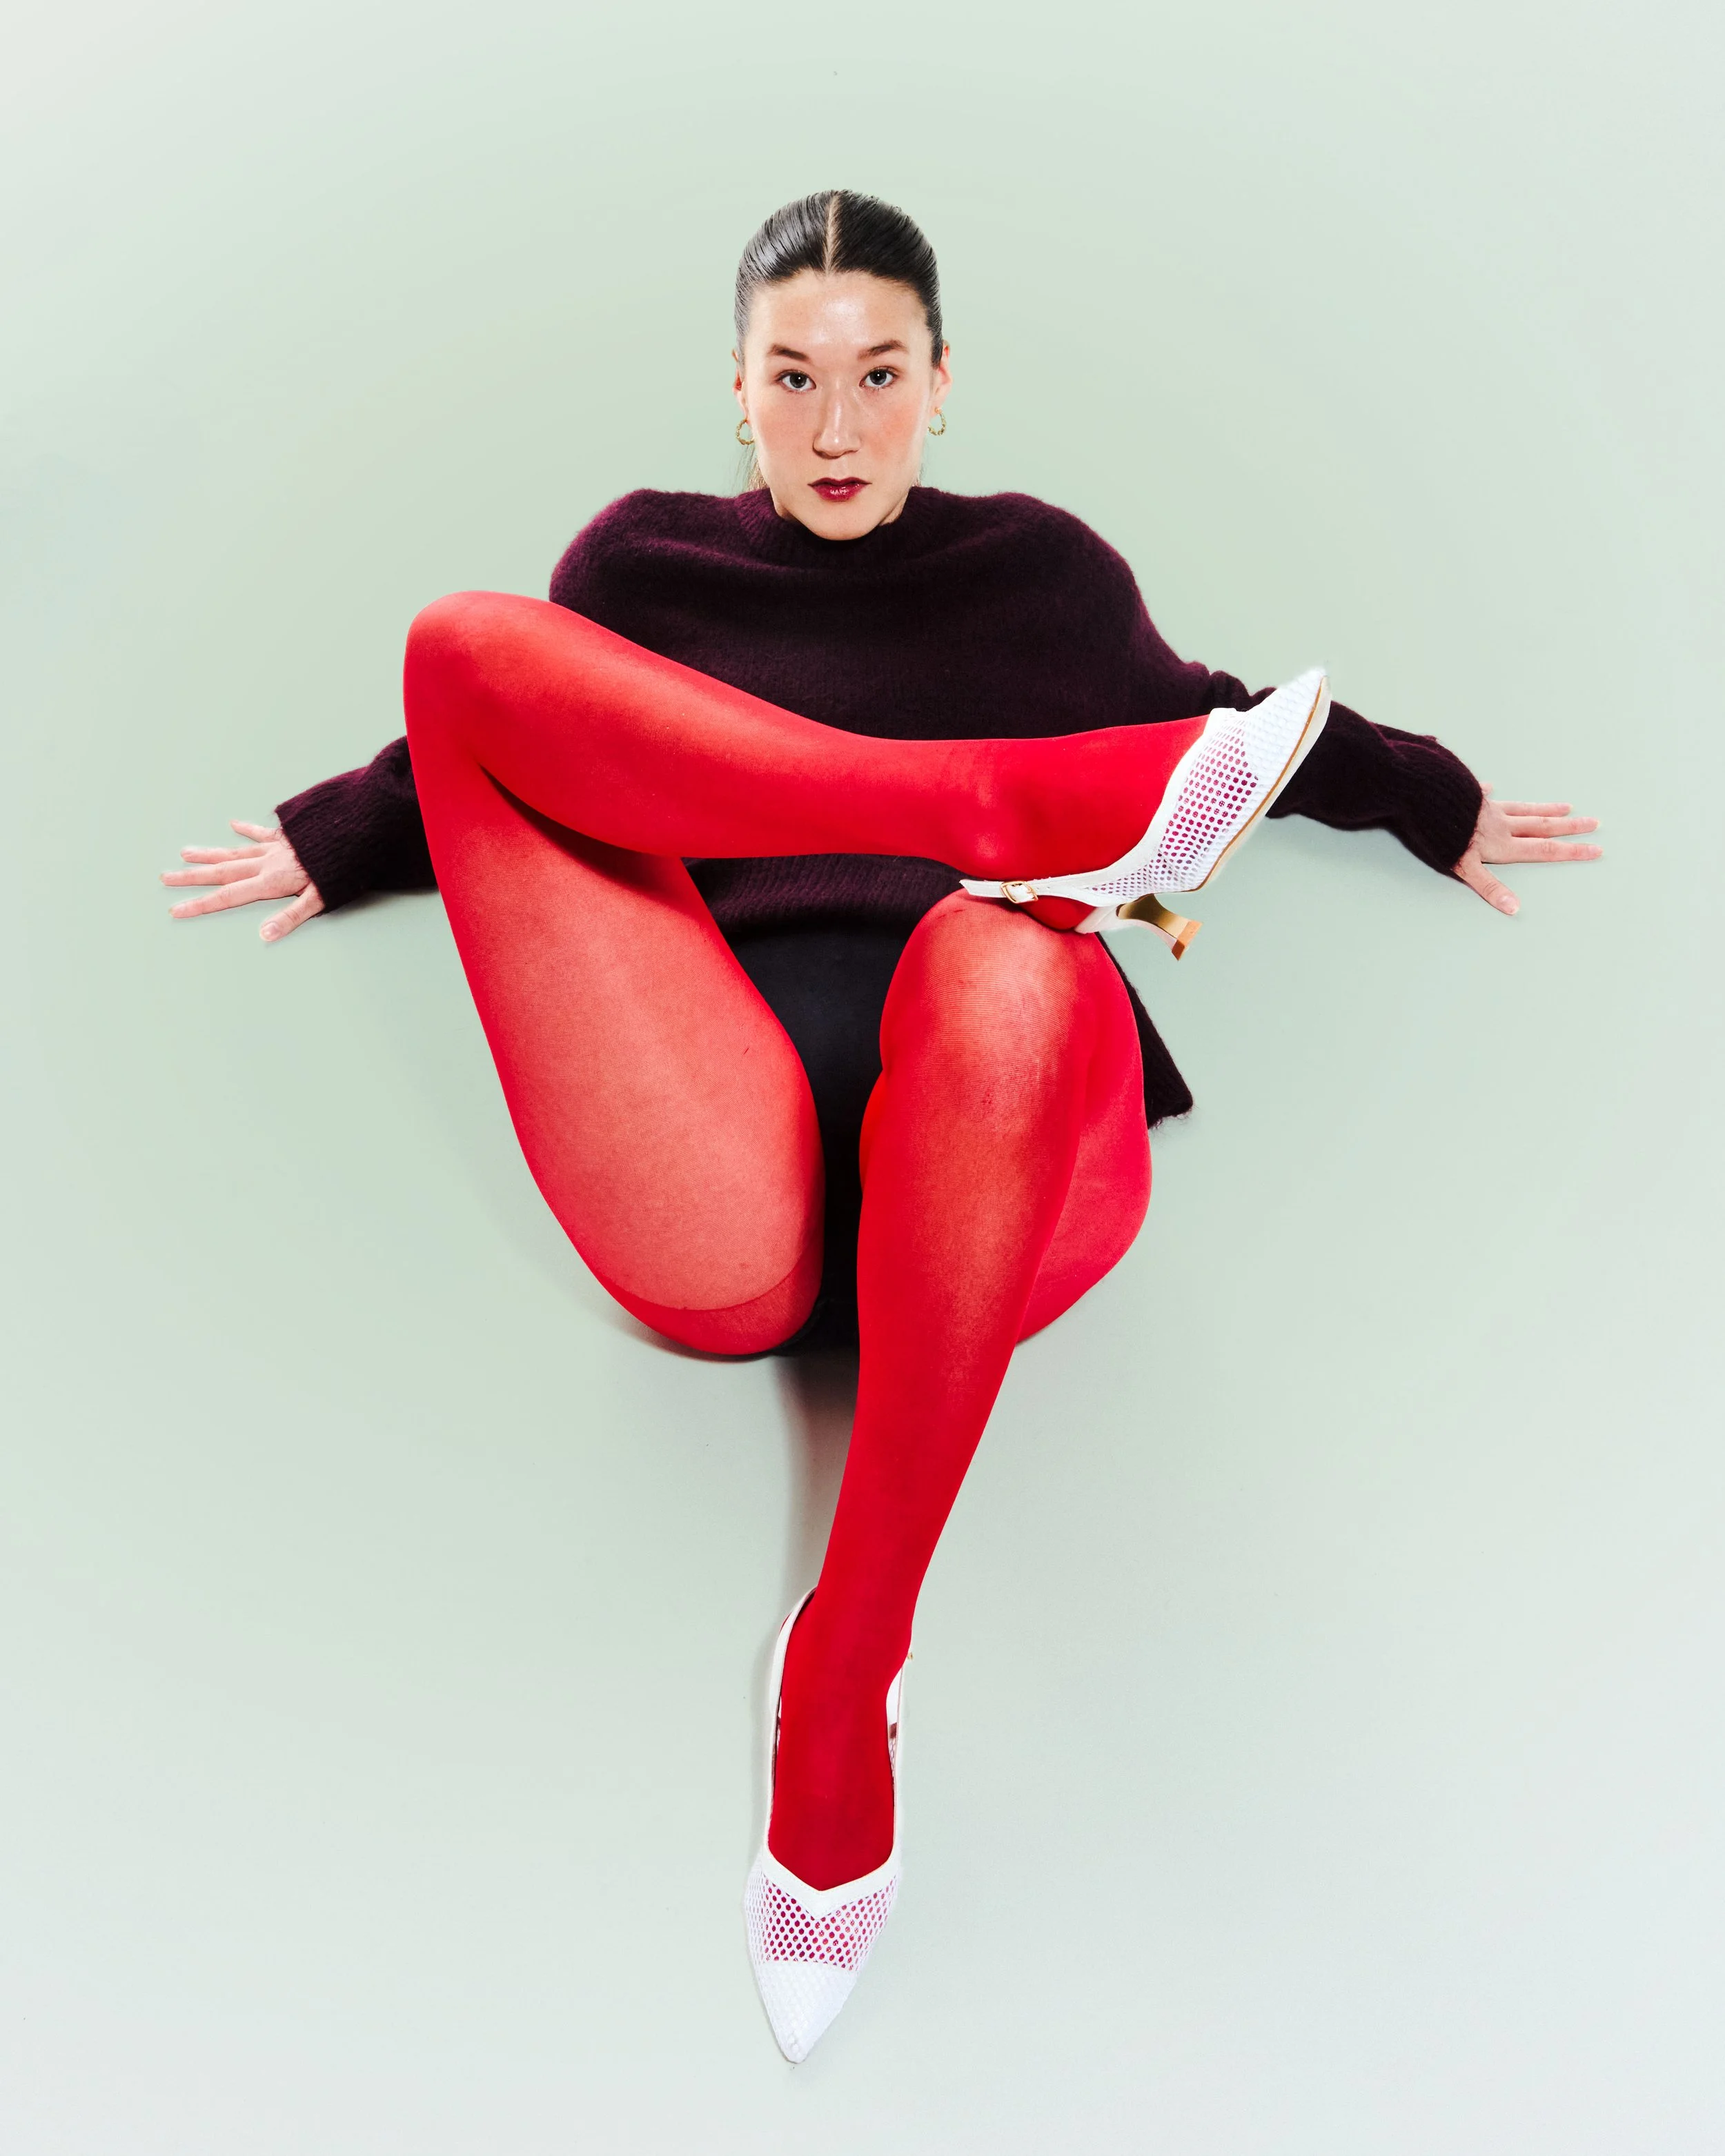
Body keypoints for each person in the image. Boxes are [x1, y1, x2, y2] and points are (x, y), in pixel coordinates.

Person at [160, 190, 1601, 2061]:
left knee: (1001, 963)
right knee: (460, 644)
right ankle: (1000, 805)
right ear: (735, 396)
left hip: (1011, 1142)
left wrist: (1432, 796)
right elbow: (502, 730)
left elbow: (1224, 731)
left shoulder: (1040, 577)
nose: (836, 429)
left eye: (877, 378)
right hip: (721, 1140)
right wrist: (343, 830)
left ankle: (841, 1678)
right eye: (791, 381)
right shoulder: (644, 564)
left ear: (940, 387)